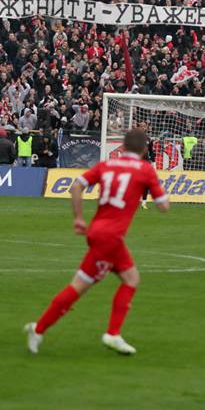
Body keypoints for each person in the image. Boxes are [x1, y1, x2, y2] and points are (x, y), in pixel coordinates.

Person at [25, 130, 169, 355]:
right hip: (109, 238)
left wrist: (79, 218)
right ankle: (41, 329)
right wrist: (156, 191)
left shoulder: (106, 165)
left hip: (99, 231)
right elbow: (163, 206)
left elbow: (76, 186)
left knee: (131, 278)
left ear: (123, 147)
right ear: (144, 149)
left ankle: (112, 333)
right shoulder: (145, 169)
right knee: (79, 286)